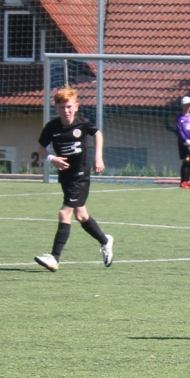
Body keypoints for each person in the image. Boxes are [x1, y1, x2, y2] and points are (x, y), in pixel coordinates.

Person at [33, 87, 114, 271]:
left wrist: (98, 157)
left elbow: (97, 133)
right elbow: (41, 148)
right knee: (82, 215)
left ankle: (54, 257)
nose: (66, 110)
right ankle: (105, 240)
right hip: (66, 177)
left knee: (65, 213)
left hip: (80, 176)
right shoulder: (52, 127)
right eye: (62, 107)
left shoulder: (82, 123)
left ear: (76, 106)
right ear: (56, 108)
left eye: (69, 106)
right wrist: (52, 159)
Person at [177, 96, 190, 188]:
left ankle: (188, 181)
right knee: (186, 160)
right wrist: (186, 140)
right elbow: (179, 130)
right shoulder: (179, 117)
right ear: (182, 105)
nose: (187, 107)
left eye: (189, 105)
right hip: (183, 143)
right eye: (185, 105)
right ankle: (183, 182)